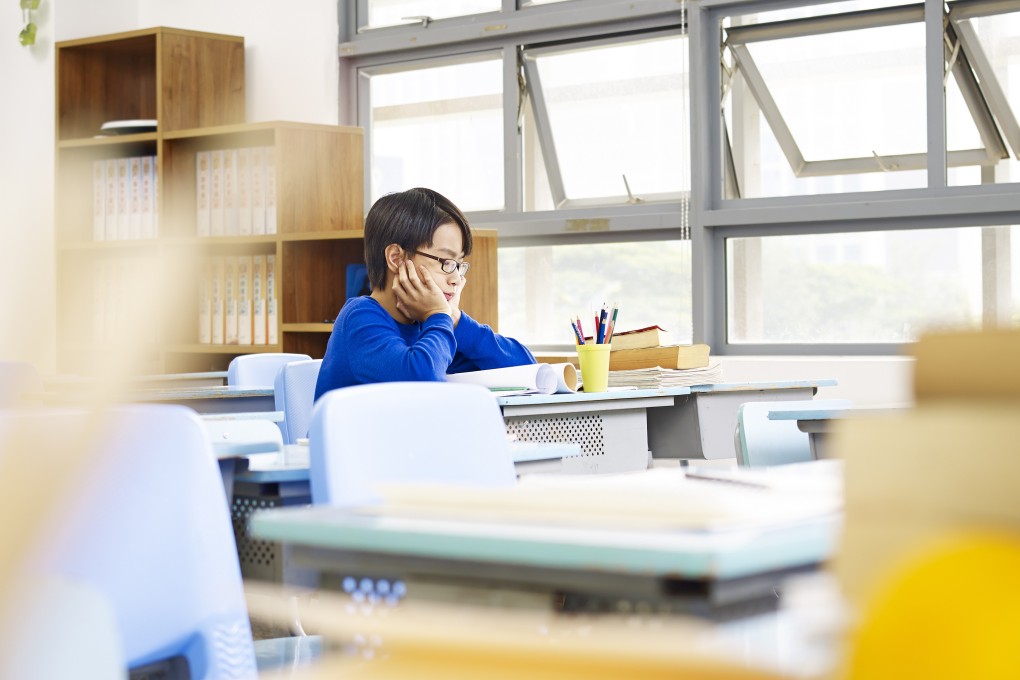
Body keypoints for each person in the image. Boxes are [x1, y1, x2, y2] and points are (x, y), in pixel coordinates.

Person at [314, 188, 535, 400]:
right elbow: (423, 384)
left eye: (459, 264)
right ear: (397, 259)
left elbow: (527, 372)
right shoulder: (360, 318)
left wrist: (456, 320)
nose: (456, 278)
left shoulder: (429, 327)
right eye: (445, 262)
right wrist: (439, 314)